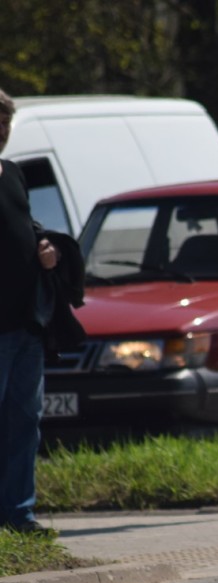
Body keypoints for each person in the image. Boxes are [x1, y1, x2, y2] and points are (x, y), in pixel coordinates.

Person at [0, 88, 61, 536]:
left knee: (25, 422)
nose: (0, 132)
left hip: (26, 324)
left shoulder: (12, 173)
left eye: (4, 124)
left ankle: (19, 515)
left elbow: (26, 228)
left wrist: (45, 249)